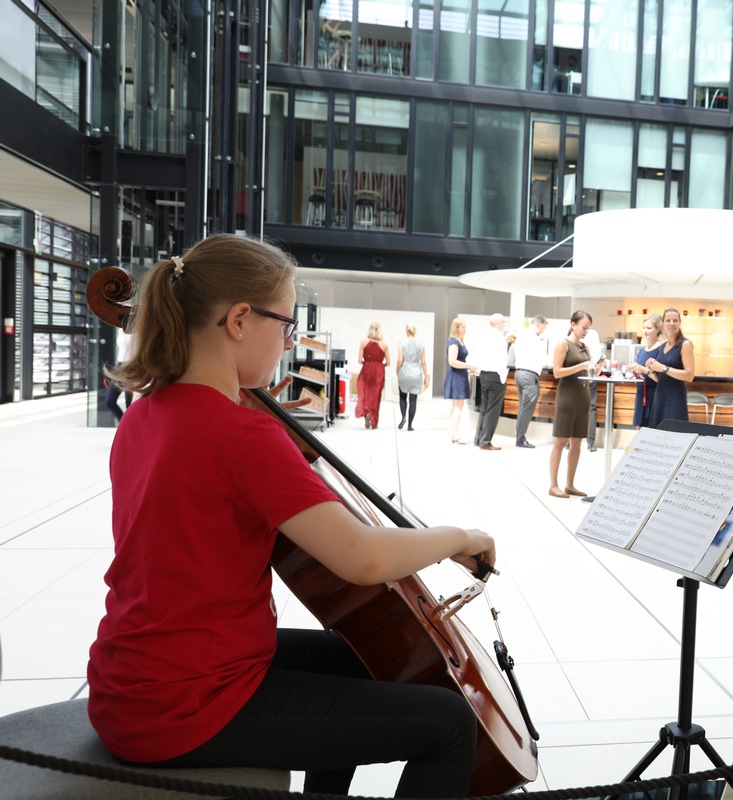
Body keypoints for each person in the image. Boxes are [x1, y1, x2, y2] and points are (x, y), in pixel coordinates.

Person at [86, 234, 496, 797]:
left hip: (132, 679)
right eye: (284, 324)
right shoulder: (243, 436)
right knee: (448, 726)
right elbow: (364, 557)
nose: (288, 339)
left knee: (369, 654)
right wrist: (458, 536)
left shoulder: (145, 415)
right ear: (238, 320)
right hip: (187, 705)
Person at [549, 311, 594, 498]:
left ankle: (570, 484)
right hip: (567, 397)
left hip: (583, 397)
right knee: (561, 441)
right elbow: (557, 372)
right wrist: (581, 367)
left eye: (588, 328)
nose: (586, 331)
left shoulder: (585, 347)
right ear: (573, 324)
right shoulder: (563, 344)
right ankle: (553, 485)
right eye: (584, 327)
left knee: (577, 442)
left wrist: (595, 368)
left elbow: (587, 372)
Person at [645, 308, 695, 429]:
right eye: (668, 320)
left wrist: (664, 368)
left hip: (675, 397)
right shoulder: (662, 347)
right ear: (663, 323)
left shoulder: (685, 344)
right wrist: (650, 369)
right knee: (658, 433)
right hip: (660, 396)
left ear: (679, 323)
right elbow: (660, 378)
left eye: (675, 320)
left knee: (674, 434)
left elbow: (689, 375)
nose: (671, 323)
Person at [471, 313, 509, 451]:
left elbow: (477, 356)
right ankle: (486, 441)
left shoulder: (483, 336)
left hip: (483, 375)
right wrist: (502, 376)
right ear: (498, 323)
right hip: (496, 376)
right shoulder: (499, 338)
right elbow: (502, 359)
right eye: (504, 322)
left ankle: (478, 439)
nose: (505, 324)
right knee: (493, 411)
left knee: (484, 409)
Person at [512, 315, 550, 448]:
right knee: (527, 408)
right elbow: (541, 357)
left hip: (519, 373)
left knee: (523, 407)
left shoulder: (522, 335)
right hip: (528, 374)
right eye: (544, 327)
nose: (543, 330)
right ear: (539, 324)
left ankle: (520, 437)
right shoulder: (533, 337)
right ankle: (520, 439)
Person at [626, 314, 663, 429]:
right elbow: (640, 374)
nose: (645, 331)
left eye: (649, 328)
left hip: (654, 395)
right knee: (639, 428)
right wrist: (633, 370)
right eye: (644, 328)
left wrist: (644, 370)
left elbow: (660, 379)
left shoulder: (661, 350)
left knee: (652, 430)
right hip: (641, 393)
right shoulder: (642, 351)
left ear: (658, 329)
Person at [444, 318, 476, 445]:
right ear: (456, 328)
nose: (465, 329)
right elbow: (452, 361)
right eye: (463, 327)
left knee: (457, 406)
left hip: (460, 375)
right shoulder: (453, 342)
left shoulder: (460, 341)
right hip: (456, 376)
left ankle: (454, 433)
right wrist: (469, 366)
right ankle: (455, 435)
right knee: (458, 406)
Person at [355, 322, 389, 429]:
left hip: (366, 368)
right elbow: (388, 362)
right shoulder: (384, 345)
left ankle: (367, 414)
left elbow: (359, 360)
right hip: (379, 370)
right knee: (376, 396)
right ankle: (375, 422)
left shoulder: (363, 342)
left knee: (366, 393)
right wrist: (380, 365)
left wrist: (368, 362)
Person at [395, 324, 429, 431]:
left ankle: (403, 416)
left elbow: (400, 359)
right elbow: (423, 362)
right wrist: (426, 376)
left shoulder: (402, 342)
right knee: (413, 400)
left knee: (402, 397)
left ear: (407, 331)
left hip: (404, 372)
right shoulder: (421, 344)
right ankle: (410, 425)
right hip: (416, 373)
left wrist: (397, 370)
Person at [580, 324, 606, 451]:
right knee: (591, 409)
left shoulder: (575, 335)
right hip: (591, 375)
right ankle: (590, 443)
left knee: (576, 408)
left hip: (577, 376)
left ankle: (570, 441)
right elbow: (599, 359)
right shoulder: (594, 334)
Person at [104, 325, 134, 422]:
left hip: (132, 366)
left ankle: (130, 429)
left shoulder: (141, 327)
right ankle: (125, 426)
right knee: (110, 401)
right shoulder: (122, 326)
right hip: (120, 366)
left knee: (129, 404)